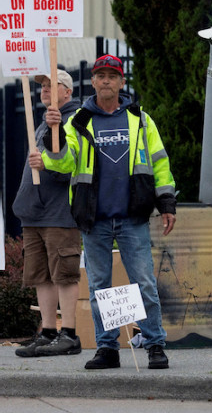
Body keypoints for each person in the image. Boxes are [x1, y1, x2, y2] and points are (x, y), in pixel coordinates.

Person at [34, 54, 177, 371]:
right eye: (100, 75)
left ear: (122, 82)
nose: (106, 80)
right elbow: (63, 164)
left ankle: (155, 345)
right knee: (99, 288)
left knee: (145, 284)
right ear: (94, 82)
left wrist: (166, 203)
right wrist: (54, 137)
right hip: (93, 218)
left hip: (132, 216)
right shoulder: (79, 121)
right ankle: (107, 348)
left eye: (112, 75)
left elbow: (160, 163)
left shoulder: (140, 118)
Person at [13, 69, 82, 357]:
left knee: (63, 274)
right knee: (41, 275)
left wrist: (48, 161)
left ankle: (69, 334)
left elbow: (72, 163)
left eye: (53, 85)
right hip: (35, 213)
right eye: (42, 86)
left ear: (68, 92)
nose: (45, 90)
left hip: (59, 212)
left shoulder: (74, 121)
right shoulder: (42, 124)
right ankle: (49, 331)